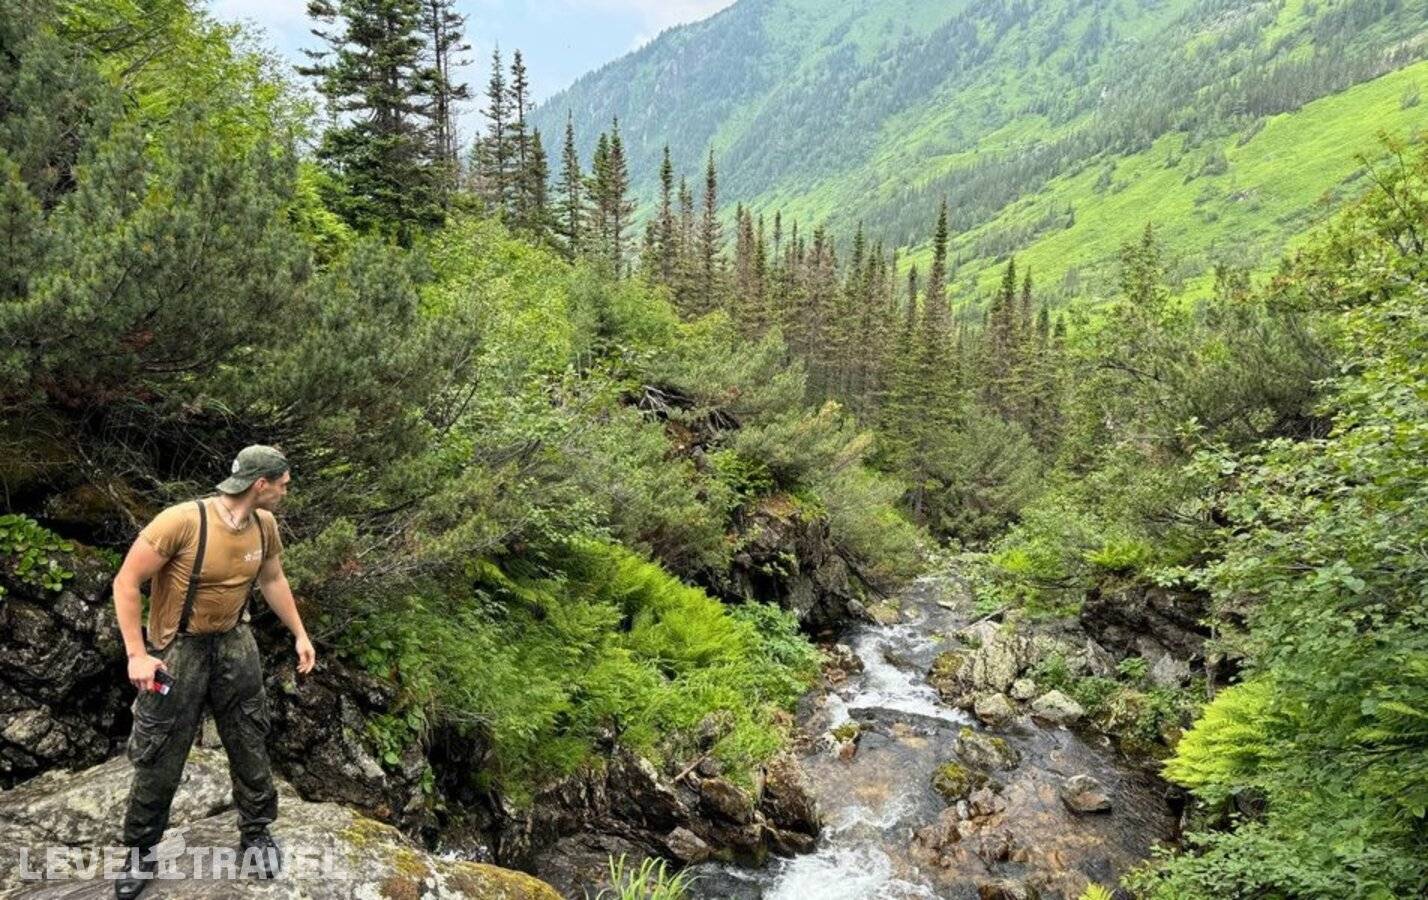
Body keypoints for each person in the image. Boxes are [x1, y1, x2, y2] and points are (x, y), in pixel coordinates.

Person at [110, 445, 315, 898]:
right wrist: (136, 655)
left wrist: (300, 633)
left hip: (234, 641)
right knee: (161, 746)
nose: (285, 490)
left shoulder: (265, 525)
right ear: (259, 484)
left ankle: (257, 832)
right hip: (178, 648)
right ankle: (140, 850)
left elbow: (272, 579)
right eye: (282, 483)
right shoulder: (181, 521)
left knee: (249, 734)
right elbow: (126, 582)